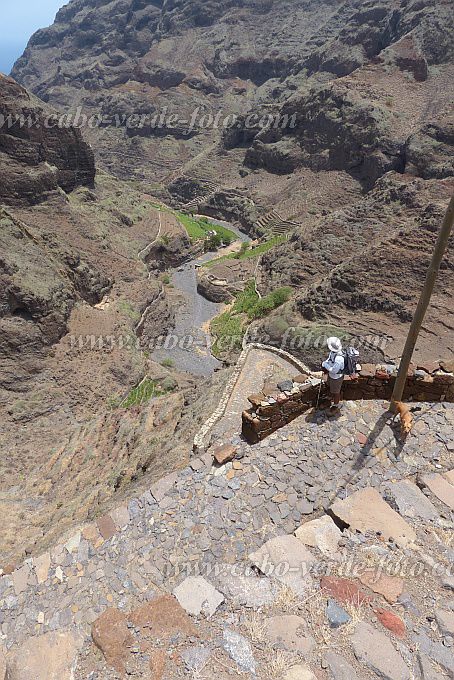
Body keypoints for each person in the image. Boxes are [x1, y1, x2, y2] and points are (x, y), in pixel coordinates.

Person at [321, 337, 345, 409]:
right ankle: (330, 398)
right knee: (331, 388)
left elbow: (334, 370)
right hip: (332, 376)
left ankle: (336, 404)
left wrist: (325, 365)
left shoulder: (339, 359)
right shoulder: (333, 352)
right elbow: (329, 359)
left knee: (336, 392)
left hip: (336, 378)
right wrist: (326, 362)